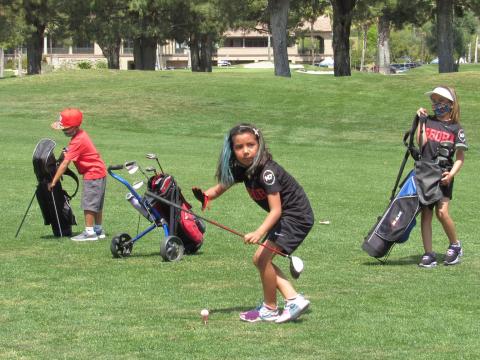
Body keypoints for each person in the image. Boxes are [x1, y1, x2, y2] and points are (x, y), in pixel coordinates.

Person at [192, 124, 314, 323]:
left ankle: (271, 308)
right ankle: (292, 299)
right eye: (239, 147)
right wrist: (206, 196)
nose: (246, 151)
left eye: (250, 145)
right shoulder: (244, 169)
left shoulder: (267, 172)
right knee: (260, 260)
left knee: (262, 258)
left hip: (296, 217)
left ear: (259, 144)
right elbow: (221, 187)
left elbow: (276, 210)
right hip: (286, 217)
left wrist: (259, 232)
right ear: (232, 150)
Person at [416, 86, 468, 267]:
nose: (436, 105)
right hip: (425, 172)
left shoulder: (456, 128)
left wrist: (451, 174)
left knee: (442, 212)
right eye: (434, 102)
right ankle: (428, 253)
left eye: (441, 102)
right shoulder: (428, 121)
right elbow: (421, 144)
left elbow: (460, 157)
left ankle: (455, 245)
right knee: (426, 214)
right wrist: (421, 122)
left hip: (444, 173)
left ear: (450, 105)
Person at [48, 108, 107, 241]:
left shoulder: (77, 141)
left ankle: (89, 233)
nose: (63, 131)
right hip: (99, 171)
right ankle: (98, 230)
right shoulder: (80, 135)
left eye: (66, 128)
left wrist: (54, 181)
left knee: (89, 204)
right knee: (96, 203)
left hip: (92, 174)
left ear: (75, 127)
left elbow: (65, 164)